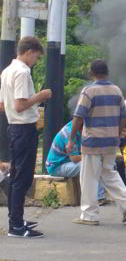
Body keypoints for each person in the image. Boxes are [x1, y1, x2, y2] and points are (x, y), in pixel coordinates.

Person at [68, 59, 126, 226]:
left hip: (92, 141)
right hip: (111, 141)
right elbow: (123, 116)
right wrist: (118, 135)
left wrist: (71, 139)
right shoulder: (116, 90)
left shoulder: (89, 91)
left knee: (88, 178)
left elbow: (78, 117)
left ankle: (89, 215)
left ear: (92, 73)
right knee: (108, 172)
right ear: (107, 72)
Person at [0, 36, 52, 238]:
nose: (36, 61)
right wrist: (42, 95)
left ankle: (17, 219)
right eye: (37, 57)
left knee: (17, 175)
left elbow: (5, 105)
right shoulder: (22, 72)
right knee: (22, 177)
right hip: (24, 128)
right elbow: (20, 105)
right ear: (29, 51)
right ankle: (16, 225)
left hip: (13, 127)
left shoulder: (7, 71)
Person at [45, 120, 106, 203]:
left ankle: (98, 196)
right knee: (90, 164)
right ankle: (98, 197)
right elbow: (74, 158)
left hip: (66, 162)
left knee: (96, 162)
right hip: (56, 167)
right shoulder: (70, 134)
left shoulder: (76, 129)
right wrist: (93, 156)